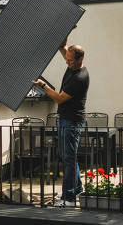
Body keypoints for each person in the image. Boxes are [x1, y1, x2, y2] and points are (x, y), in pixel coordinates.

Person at [32, 36, 90, 207]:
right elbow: (62, 46)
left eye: (71, 60)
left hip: (71, 122)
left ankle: (69, 198)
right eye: (67, 59)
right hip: (67, 120)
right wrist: (67, 27)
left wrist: (43, 86)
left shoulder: (79, 78)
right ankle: (78, 189)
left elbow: (59, 99)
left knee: (68, 160)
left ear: (80, 59)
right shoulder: (72, 62)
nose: (67, 62)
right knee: (69, 158)